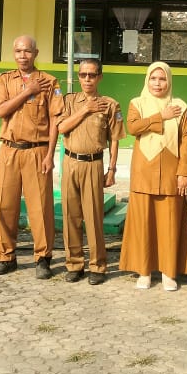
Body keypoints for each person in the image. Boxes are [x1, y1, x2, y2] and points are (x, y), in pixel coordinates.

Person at [0, 36, 62, 278]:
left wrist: (50, 154)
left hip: (37, 150)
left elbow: (54, 121)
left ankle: (43, 258)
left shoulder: (49, 82)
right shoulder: (4, 80)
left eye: (27, 51)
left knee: (40, 207)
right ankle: (5, 256)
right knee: (5, 205)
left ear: (36, 53)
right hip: (9, 150)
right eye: (19, 51)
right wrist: (28, 92)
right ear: (14, 53)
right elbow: (1, 110)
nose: (23, 56)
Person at [119, 61, 187, 291]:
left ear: (169, 81)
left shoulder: (180, 106)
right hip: (144, 171)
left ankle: (169, 272)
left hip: (171, 172)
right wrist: (161, 116)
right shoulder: (137, 103)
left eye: (162, 79)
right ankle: (144, 271)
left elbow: (186, 141)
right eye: (153, 78)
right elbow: (133, 128)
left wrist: (184, 173)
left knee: (170, 222)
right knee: (144, 223)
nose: (158, 83)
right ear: (147, 80)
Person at [57, 58, 124, 285]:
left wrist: (111, 169)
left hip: (94, 164)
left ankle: (98, 266)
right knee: (70, 216)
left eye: (92, 75)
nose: (87, 79)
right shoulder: (69, 101)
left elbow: (115, 140)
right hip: (70, 162)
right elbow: (61, 127)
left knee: (94, 217)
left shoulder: (110, 105)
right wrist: (86, 109)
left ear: (99, 77)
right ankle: (74, 264)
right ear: (78, 77)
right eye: (83, 75)